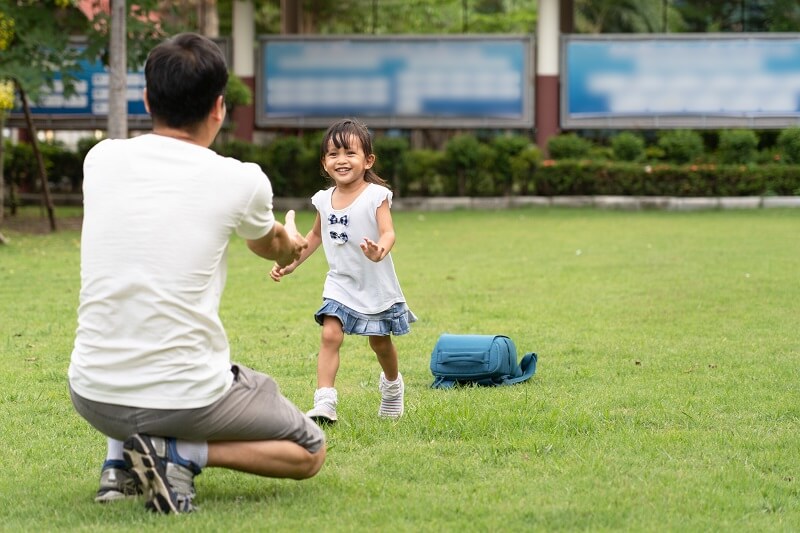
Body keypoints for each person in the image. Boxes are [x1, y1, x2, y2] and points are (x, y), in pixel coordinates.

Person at [68, 32, 326, 514]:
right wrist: (289, 244)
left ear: (146, 98)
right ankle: (180, 453)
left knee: (135, 312)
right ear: (220, 107)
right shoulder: (241, 179)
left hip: (92, 393)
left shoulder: (99, 160)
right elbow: (268, 243)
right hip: (187, 397)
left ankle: (118, 463)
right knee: (309, 450)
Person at [270, 118, 417, 424]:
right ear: (324, 163)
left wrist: (380, 249)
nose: (341, 160)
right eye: (333, 154)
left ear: (368, 160)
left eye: (350, 153)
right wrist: (292, 262)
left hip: (375, 284)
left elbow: (388, 232)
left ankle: (392, 387)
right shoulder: (323, 200)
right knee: (330, 334)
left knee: (379, 343)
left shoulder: (376, 195)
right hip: (340, 283)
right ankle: (325, 401)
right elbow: (314, 237)